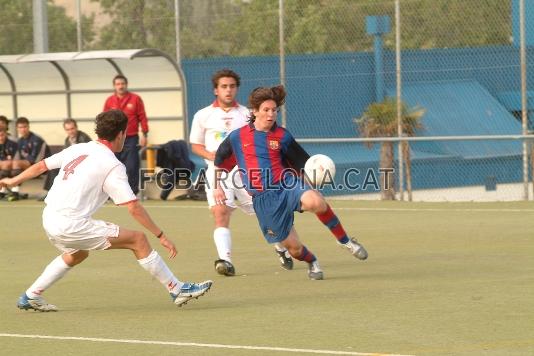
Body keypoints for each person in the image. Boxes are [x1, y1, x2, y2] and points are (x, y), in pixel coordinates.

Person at [0, 110, 212, 311]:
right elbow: (133, 206)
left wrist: (12, 180)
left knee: (76, 254)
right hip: (71, 224)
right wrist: (161, 235)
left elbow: (40, 166)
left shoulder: (78, 148)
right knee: (138, 240)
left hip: (49, 218)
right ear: (121, 134)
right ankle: (177, 289)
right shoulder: (112, 165)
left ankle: (31, 295)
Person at [214, 85, 368, 280]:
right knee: (294, 250)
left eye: (274, 110)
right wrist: (217, 186)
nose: (271, 115)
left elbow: (304, 165)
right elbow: (219, 162)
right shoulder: (237, 137)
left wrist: (313, 183)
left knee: (316, 202)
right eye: (266, 110)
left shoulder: (282, 136)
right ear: (254, 111)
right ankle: (312, 262)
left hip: (286, 184)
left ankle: (345, 241)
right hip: (263, 199)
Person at [189, 69, 293, 276]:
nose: (228, 90)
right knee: (220, 213)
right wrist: (212, 156)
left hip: (248, 172)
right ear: (215, 90)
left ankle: (281, 248)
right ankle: (225, 261)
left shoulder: (247, 113)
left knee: (267, 213)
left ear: (237, 88)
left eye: (232, 86)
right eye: (223, 86)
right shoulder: (203, 115)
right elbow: (195, 145)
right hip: (217, 172)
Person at [103, 75, 148, 195]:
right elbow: (104, 119)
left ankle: (133, 192)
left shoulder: (135, 99)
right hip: (113, 139)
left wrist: (144, 134)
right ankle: (113, 193)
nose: (120, 86)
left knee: (132, 166)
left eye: (122, 84)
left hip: (131, 138)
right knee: (113, 166)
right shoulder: (109, 100)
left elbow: (142, 116)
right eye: (118, 84)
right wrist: (104, 137)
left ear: (126, 84)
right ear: (114, 86)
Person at [43, 119, 93, 194]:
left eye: (72, 128)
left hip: (83, 164)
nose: (70, 131)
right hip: (72, 163)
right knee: (53, 168)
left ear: (76, 127)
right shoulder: (67, 139)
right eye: (68, 129)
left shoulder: (83, 138)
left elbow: (86, 155)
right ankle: (49, 192)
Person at [8, 117, 47, 201]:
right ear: (17, 129)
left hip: (42, 166)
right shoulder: (20, 141)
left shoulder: (37, 139)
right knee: (7, 165)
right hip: (28, 165)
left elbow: (36, 160)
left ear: (28, 127)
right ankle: (5, 191)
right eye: (20, 127)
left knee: (16, 164)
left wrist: (17, 162)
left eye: (25, 127)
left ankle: (15, 192)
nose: (23, 129)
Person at [0, 128, 17, 199]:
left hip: (11, 166)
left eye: (2, 135)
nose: (0, 137)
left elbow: (16, 159)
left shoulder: (13, 144)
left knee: (13, 170)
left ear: (6, 134)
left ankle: (14, 191)